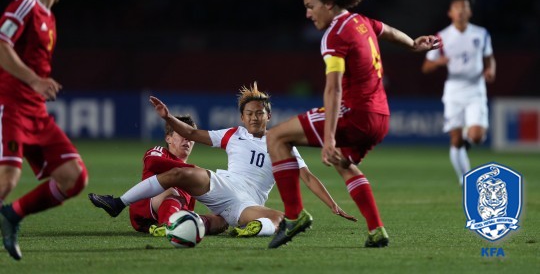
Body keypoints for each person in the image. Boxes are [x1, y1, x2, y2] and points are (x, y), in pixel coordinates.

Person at [265, 0, 441, 249]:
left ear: (329, 2)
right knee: (343, 163)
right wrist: (413, 44)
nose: (308, 14)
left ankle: (294, 216)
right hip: (380, 116)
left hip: (354, 113)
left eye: (311, 6)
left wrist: (329, 137)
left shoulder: (334, 36)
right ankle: (376, 230)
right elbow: (390, 32)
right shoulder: (361, 21)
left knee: (276, 137)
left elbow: (333, 88)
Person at [89, 83, 356, 237]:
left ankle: (235, 228)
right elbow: (192, 133)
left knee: (282, 219)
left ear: (268, 116)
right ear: (242, 118)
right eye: (249, 113)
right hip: (222, 185)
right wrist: (167, 118)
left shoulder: (282, 143)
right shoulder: (232, 135)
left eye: (259, 113)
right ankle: (118, 203)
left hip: (247, 202)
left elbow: (307, 176)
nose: (254, 117)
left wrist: (333, 205)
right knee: (180, 175)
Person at [0, 0, 88, 261]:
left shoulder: (48, 17)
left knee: (73, 176)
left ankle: (12, 215)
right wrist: (34, 80)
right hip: (9, 107)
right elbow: (0, 44)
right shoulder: (25, 5)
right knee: (7, 180)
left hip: (35, 113)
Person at [422, 0, 496, 186]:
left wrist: (490, 70)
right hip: (454, 90)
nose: (461, 12)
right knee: (455, 141)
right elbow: (426, 67)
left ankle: (465, 135)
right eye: (457, 9)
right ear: (450, 13)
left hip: (475, 90)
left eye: (464, 8)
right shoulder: (442, 36)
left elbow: (489, 58)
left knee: (477, 137)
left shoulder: (481, 34)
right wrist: (439, 62)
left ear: (470, 12)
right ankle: (466, 181)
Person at [116, 114, 227, 236]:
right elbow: (151, 162)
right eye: (181, 135)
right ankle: (168, 226)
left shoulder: (194, 175)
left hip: (170, 211)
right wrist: (191, 169)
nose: (187, 140)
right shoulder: (160, 152)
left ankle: (184, 226)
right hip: (144, 209)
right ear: (168, 138)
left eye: (190, 137)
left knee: (221, 221)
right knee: (173, 192)